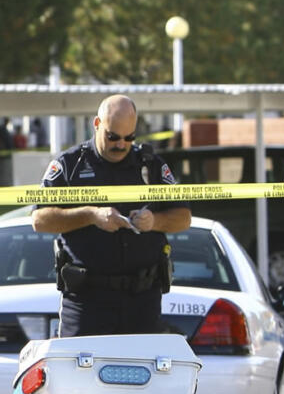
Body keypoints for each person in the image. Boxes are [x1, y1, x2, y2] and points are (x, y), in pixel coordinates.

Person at [32, 94, 190, 336]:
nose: (121, 144)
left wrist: (154, 222)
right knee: (81, 373)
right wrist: (91, 215)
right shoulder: (70, 164)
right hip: (87, 300)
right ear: (97, 124)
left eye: (129, 138)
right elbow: (40, 220)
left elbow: (183, 217)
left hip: (142, 300)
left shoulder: (150, 165)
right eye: (113, 136)